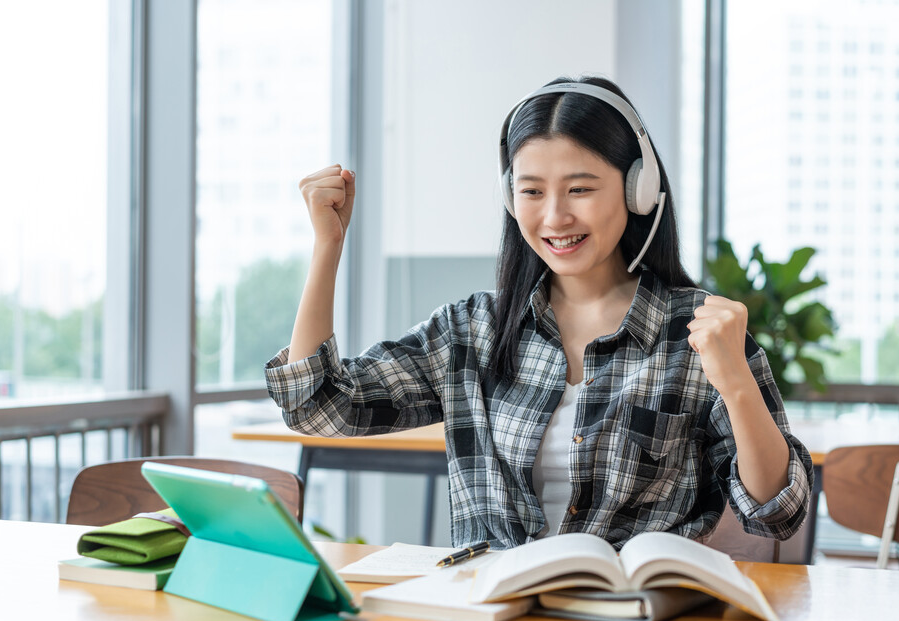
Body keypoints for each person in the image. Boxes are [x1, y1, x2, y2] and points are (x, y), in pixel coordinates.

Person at [265, 75, 813, 550]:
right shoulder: (471, 332)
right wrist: (327, 248)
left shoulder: (700, 331)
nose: (554, 216)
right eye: (532, 191)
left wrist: (736, 383)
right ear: (510, 197)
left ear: (638, 190)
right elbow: (318, 406)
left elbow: (778, 513)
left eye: (580, 188)